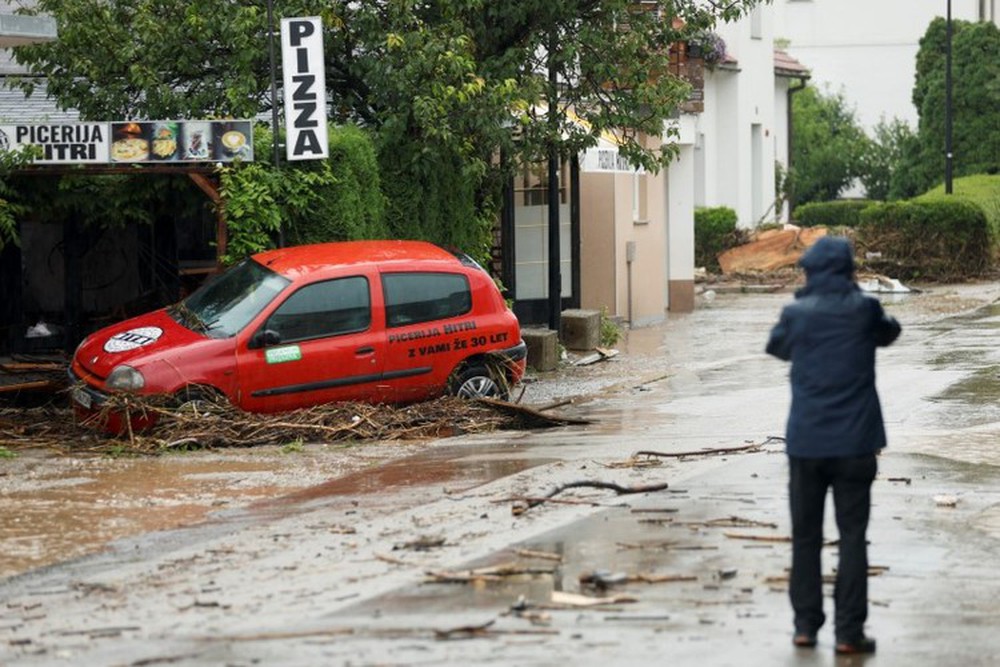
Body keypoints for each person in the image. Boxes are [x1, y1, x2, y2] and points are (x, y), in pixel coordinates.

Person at [765, 235, 901, 655]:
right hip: (855, 445)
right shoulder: (864, 309)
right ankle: (848, 633)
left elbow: (776, 346)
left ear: (809, 270)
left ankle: (805, 627)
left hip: (806, 445)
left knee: (805, 537)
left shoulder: (796, 313)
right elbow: (890, 332)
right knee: (852, 536)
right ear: (849, 271)